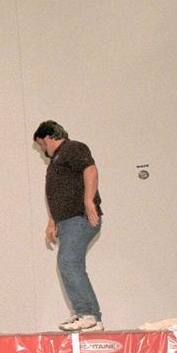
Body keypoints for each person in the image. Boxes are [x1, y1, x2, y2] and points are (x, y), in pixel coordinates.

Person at [33, 120, 104, 332]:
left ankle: (85, 314)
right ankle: (94, 319)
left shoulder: (72, 148)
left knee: (67, 262)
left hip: (78, 218)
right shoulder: (56, 161)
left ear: (47, 137)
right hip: (66, 221)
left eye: (41, 145)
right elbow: (58, 194)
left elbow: (90, 170)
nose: (42, 150)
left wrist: (89, 200)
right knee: (73, 265)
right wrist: (52, 221)